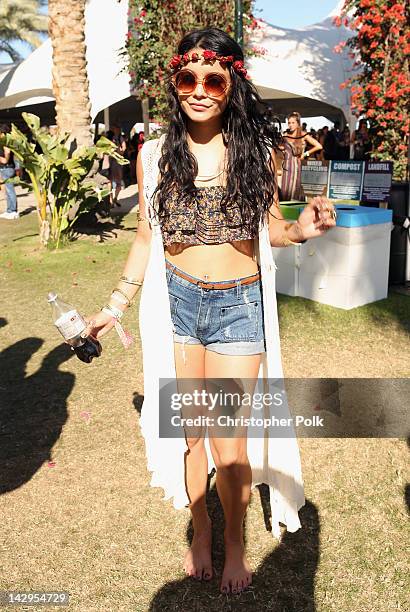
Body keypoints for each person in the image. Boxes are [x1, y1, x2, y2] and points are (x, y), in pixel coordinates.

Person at [83, 28, 336, 595]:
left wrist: (300, 229)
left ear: (231, 84)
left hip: (238, 305)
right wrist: (113, 306)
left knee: (231, 442)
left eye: (212, 79)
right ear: (175, 84)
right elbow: (147, 238)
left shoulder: (257, 153)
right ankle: (201, 531)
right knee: (194, 435)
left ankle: (237, 545)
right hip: (179, 302)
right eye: (187, 78)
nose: (198, 90)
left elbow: (268, 229)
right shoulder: (153, 152)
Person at [279, 111, 323, 201]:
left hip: (298, 165)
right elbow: (280, 149)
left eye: (293, 123)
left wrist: (305, 154)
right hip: (287, 166)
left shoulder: (303, 135)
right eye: (289, 123)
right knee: (286, 190)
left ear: (298, 123)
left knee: (297, 190)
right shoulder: (285, 135)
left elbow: (319, 146)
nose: (290, 125)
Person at [0, 124, 19, 220]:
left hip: (7, 168)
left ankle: (13, 211)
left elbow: (6, 155)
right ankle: (9, 210)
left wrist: (3, 159)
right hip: (4, 168)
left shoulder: (6, 142)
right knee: (7, 191)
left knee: (10, 190)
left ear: (2, 133)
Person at [108, 123, 127, 206]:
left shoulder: (120, 138)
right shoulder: (109, 137)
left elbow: (124, 149)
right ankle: (111, 200)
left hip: (116, 162)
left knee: (116, 182)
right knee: (110, 182)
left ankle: (114, 199)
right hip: (111, 162)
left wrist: (118, 151)